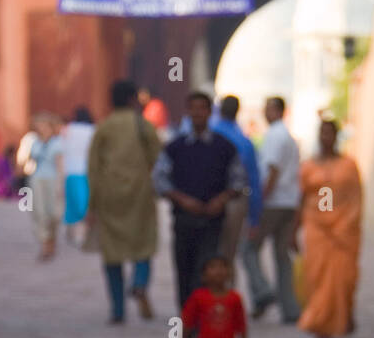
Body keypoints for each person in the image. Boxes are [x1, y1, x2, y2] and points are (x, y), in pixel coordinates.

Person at [153, 92, 245, 312]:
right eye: (193, 108)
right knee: (184, 272)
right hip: (184, 220)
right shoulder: (175, 148)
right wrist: (182, 199)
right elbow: (159, 180)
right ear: (188, 112)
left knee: (209, 273)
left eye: (202, 108)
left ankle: (208, 323)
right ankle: (187, 324)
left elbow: (239, 180)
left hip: (213, 222)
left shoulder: (224, 147)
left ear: (209, 112)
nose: (197, 113)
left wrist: (222, 199)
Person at [87, 79, 161, 322]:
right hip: (139, 194)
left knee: (112, 254)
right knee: (143, 245)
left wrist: (92, 204)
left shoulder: (104, 128)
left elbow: (94, 168)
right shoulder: (143, 126)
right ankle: (139, 282)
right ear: (132, 99)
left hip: (109, 196)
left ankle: (118, 310)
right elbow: (157, 158)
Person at [295, 118, 363, 338]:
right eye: (322, 133)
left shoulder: (348, 165)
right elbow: (301, 197)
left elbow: (356, 198)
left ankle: (344, 316)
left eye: (330, 133)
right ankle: (321, 324)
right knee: (317, 276)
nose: (326, 137)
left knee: (345, 276)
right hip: (316, 227)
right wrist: (292, 230)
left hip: (344, 229)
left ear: (336, 136)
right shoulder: (308, 166)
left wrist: (345, 223)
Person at [240, 97, 301, 322]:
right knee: (281, 256)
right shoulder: (288, 136)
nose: (264, 113)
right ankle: (290, 309)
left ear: (276, 111)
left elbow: (272, 171)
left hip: (273, 202)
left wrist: (260, 201)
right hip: (289, 202)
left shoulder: (275, 135)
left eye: (267, 109)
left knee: (248, 248)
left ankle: (263, 291)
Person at [210, 96, 262, 269]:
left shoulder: (210, 133)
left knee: (207, 250)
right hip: (234, 202)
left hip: (208, 199)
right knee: (228, 254)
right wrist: (254, 219)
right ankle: (225, 290)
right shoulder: (244, 141)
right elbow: (253, 181)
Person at [29, 114, 65, 260]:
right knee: (39, 211)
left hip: (52, 179)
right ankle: (45, 243)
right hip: (37, 178)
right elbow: (30, 162)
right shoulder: (34, 142)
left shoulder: (57, 143)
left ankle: (52, 237)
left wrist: (60, 184)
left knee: (54, 213)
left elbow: (60, 165)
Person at [62, 106, 95, 244]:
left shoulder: (67, 130)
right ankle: (84, 234)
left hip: (70, 170)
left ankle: (72, 233)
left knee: (71, 203)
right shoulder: (92, 131)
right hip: (86, 171)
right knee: (84, 203)